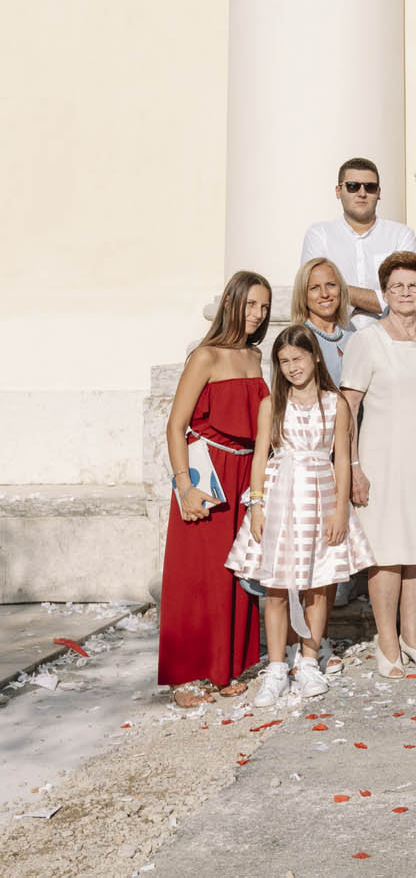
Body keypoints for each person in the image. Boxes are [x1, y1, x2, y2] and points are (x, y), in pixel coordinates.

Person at [228, 325, 373, 705]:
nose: (292, 368)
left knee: (318, 584)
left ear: (315, 356)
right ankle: (277, 667)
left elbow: (341, 459)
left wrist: (341, 509)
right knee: (275, 587)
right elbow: (261, 457)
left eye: (298, 358)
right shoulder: (272, 405)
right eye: (284, 362)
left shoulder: (335, 403)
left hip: (320, 495)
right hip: (279, 497)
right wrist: (256, 504)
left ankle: (308, 661)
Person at [158, 271, 272, 706]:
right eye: (250, 305)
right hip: (207, 471)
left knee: (234, 572)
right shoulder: (204, 356)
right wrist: (185, 486)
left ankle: (224, 669)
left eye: (263, 307)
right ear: (230, 303)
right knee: (197, 576)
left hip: (245, 474)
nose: (257, 314)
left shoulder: (256, 356)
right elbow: (175, 425)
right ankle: (186, 676)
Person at [342, 253, 416, 677]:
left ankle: (413, 638)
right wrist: (352, 467)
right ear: (385, 293)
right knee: (386, 553)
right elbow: (347, 408)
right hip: (381, 460)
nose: (406, 293)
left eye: (414, 286)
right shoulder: (367, 341)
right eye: (397, 286)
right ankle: (386, 642)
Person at [301, 157, 416, 320]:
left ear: (378, 192)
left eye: (370, 187)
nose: (362, 193)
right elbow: (314, 294)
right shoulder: (319, 234)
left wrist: (338, 290)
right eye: (352, 186)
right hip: (336, 336)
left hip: (390, 337)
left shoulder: (401, 234)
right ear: (338, 191)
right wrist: (380, 298)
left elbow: (407, 296)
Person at [293, 257, 356, 385]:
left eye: (331, 285)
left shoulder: (354, 335)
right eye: (314, 287)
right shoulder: (295, 340)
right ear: (303, 295)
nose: (325, 294)